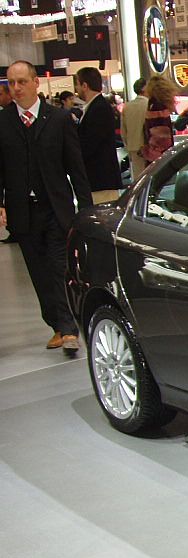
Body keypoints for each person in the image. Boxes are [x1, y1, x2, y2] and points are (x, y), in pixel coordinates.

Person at [0, 59, 92, 353]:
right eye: (11, 83)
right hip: (22, 213)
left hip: (56, 209)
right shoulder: (3, 122)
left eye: (21, 82)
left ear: (35, 83)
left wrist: (85, 211)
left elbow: (76, 168)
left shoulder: (58, 119)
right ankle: (55, 324)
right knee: (38, 272)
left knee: (58, 266)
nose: (16, 88)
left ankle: (68, 328)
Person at [75, 66, 122, 204]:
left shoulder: (99, 108)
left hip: (102, 178)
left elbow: (91, 143)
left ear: (85, 85)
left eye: (77, 84)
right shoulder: (94, 106)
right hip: (97, 179)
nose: (76, 89)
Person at [141, 75, 176, 166]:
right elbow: (163, 135)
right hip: (162, 155)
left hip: (156, 155)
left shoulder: (154, 105)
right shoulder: (160, 106)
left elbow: (158, 134)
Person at [121, 77, 148, 181]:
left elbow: (123, 131)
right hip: (149, 147)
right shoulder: (150, 105)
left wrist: (128, 145)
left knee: (138, 178)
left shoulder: (127, 107)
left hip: (133, 147)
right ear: (144, 88)